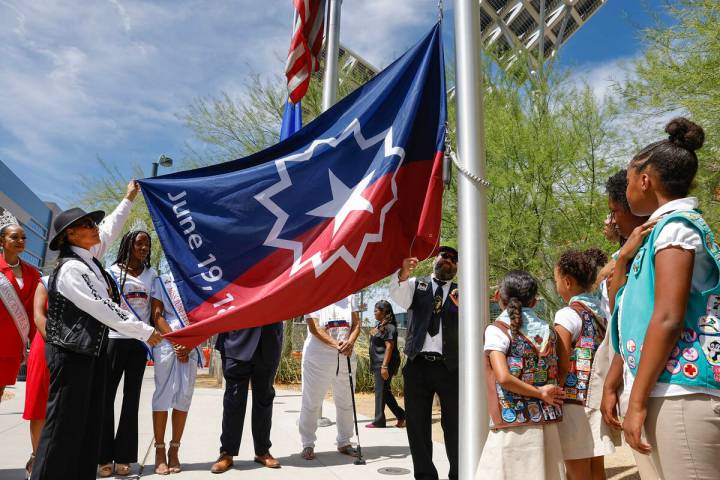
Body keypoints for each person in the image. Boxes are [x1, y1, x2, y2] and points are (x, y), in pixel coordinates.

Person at [30, 181, 162, 480]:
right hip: (72, 355)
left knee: (85, 426)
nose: (95, 227)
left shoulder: (89, 261)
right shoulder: (72, 269)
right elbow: (103, 307)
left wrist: (128, 199)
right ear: (70, 235)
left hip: (90, 354)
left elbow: (111, 228)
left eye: (92, 223)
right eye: (87, 224)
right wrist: (143, 330)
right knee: (62, 427)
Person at [612, 117, 720, 479]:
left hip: (681, 393)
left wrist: (637, 401)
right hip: (668, 392)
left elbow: (668, 317)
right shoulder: (660, 231)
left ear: (646, 180)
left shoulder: (676, 228)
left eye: (628, 181)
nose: (627, 191)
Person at [598, 170, 659, 479]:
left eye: (615, 211)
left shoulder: (664, 244)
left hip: (664, 390)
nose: (612, 220)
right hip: (636, 379)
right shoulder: (632, 253)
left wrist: (634, 402)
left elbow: (662, 322)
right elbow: (622, 317)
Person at [476, 270, 565, 480]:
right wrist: (546, 393)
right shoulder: (549, 330)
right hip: (546, 420)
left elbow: (504, 378)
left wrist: (539, 393)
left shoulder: (497, 330)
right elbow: (561, 370)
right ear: (535, 301)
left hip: (513, 425)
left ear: (499, 297)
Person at [389, 246, 459, 480]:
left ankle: (459, 473)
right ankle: (425, 475)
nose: (448, 260)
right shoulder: (415, 285)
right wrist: (403, 274)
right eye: (444, 256)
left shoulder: (462, 293)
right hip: (417, 365)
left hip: (450, 368)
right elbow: (397, 294)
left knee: (454, 426)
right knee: (417, 426)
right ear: (434, 260)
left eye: (453, 259)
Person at [553, 249, 620, 479]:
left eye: (556, 280)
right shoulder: (600, 312)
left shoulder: (566, 315)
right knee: (595, 470)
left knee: (577, 472)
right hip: (596, 399)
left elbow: (561, 364)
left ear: (568, 282)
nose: (556, 285)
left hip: (573, 405)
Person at [99, 230, 159, 477]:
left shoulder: (152, 274)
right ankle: (102, 456)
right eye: (139, 243)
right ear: (128, 244)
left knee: (131, 399)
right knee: (105, 399)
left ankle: (124, 457)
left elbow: (155, 309)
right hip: (113, 341)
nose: (143, 247)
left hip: (138, 344)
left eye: (147, 244)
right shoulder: (111, 272)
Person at [210, 322, 284, 473]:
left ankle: (262, 451)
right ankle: (227, 453)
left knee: (264, 399)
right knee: (233, 400)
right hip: (236, 338)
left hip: (268, 340)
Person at [298, 295, 361, 461]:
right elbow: (314, 328)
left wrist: (351, 342)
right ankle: (308, 443)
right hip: (318, 357)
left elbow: (356, 324)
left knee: (346, 402)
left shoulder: (350, 296)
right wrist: (337, 344)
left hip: (346, 354)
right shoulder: (315, 293)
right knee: (311, 402)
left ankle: (344, 441)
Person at [150, 273, 201, 475]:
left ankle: (174, 449)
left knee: (183, 397)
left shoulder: (197, 277)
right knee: (162, 395)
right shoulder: (162, 280)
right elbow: (157, 315)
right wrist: (177, 341)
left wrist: (189, 343)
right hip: (166, 342)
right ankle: (160, 451)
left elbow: (204, 316)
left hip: (191, 344)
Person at [0, 213, 40, 403]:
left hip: (14, 344)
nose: (20, 241)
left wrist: (36, 341)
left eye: (23, 237)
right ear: (2, 240)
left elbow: (34, 310)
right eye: (14, 237)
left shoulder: (32, 273)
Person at [23, 277, 50, 480]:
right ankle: (37, 458)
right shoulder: (46, 282)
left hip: (74, 350)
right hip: (46, 345)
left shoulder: (83, 281)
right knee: (39, 404)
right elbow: (38, 316)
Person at [367, 300, 405, 428]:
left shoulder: (390, 327)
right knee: (385, 392)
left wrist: (384, 366)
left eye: (376, 310)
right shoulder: (381, 325)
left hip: (384, 363)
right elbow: (372, 335)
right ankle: (402, 416)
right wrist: (376, 329)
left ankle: (379, 420)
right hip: (378, 361)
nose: (374, 313)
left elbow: (389, 347)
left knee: (380, 391)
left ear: (384, 312)